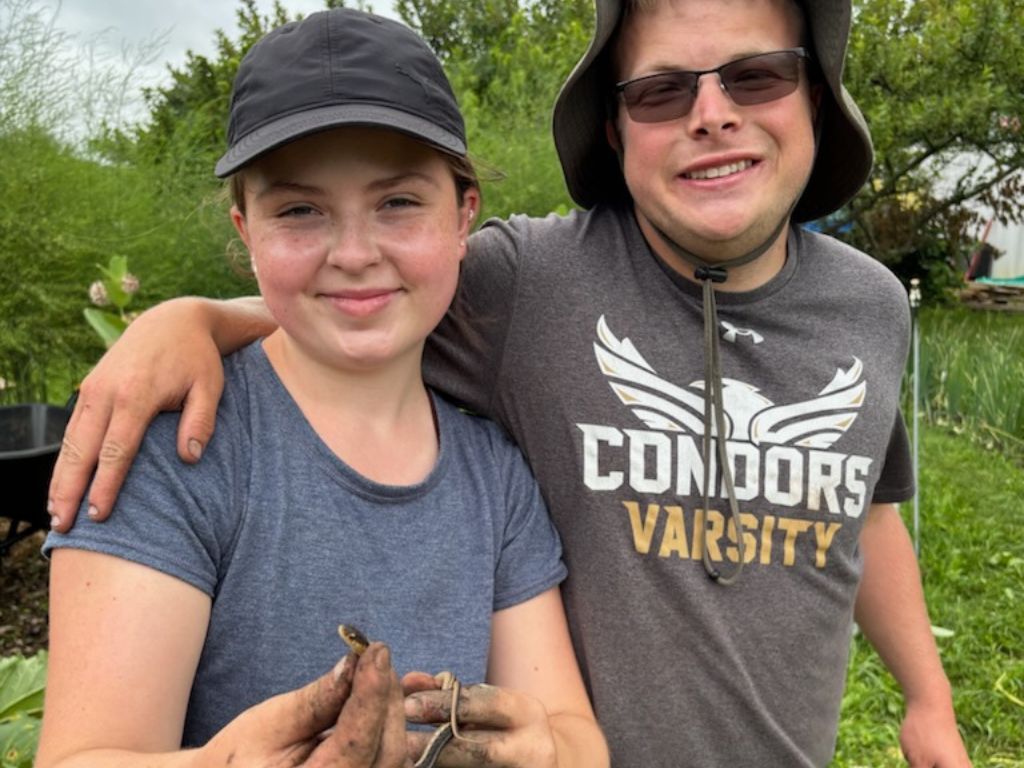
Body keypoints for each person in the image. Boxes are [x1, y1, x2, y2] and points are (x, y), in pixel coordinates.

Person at [47, 0, 972, 765]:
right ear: (613, 125)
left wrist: (928, 694)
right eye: (659, 90)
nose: (713, 114)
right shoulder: (533, 281)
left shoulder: (872, 307)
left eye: (757, 74)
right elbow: (362, 300)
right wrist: (186, 320)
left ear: (816, 96)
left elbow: (869, 505)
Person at [37, 9, 607, 768]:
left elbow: (575, 738)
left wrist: (544, 752)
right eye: (300, 210)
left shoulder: (495, 475)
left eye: (398, 202)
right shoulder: (178, 448)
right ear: (245, 232)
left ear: (464, 215)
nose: (354, 253)